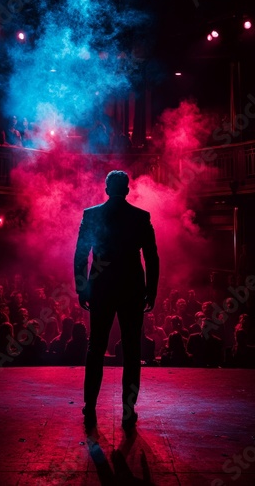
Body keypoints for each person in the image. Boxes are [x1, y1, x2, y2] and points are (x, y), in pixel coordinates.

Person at [74, 170, 159, 431]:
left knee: (95, 347)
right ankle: (128, 409)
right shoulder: (140, 216)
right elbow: (152, 258)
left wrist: (82, 288)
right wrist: (151, 290)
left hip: (101, 286)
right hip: (132, 287)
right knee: (132, 351)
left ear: (106, 188)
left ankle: (90, 407)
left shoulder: (92, 214)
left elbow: (81, 255)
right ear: (128, 189)